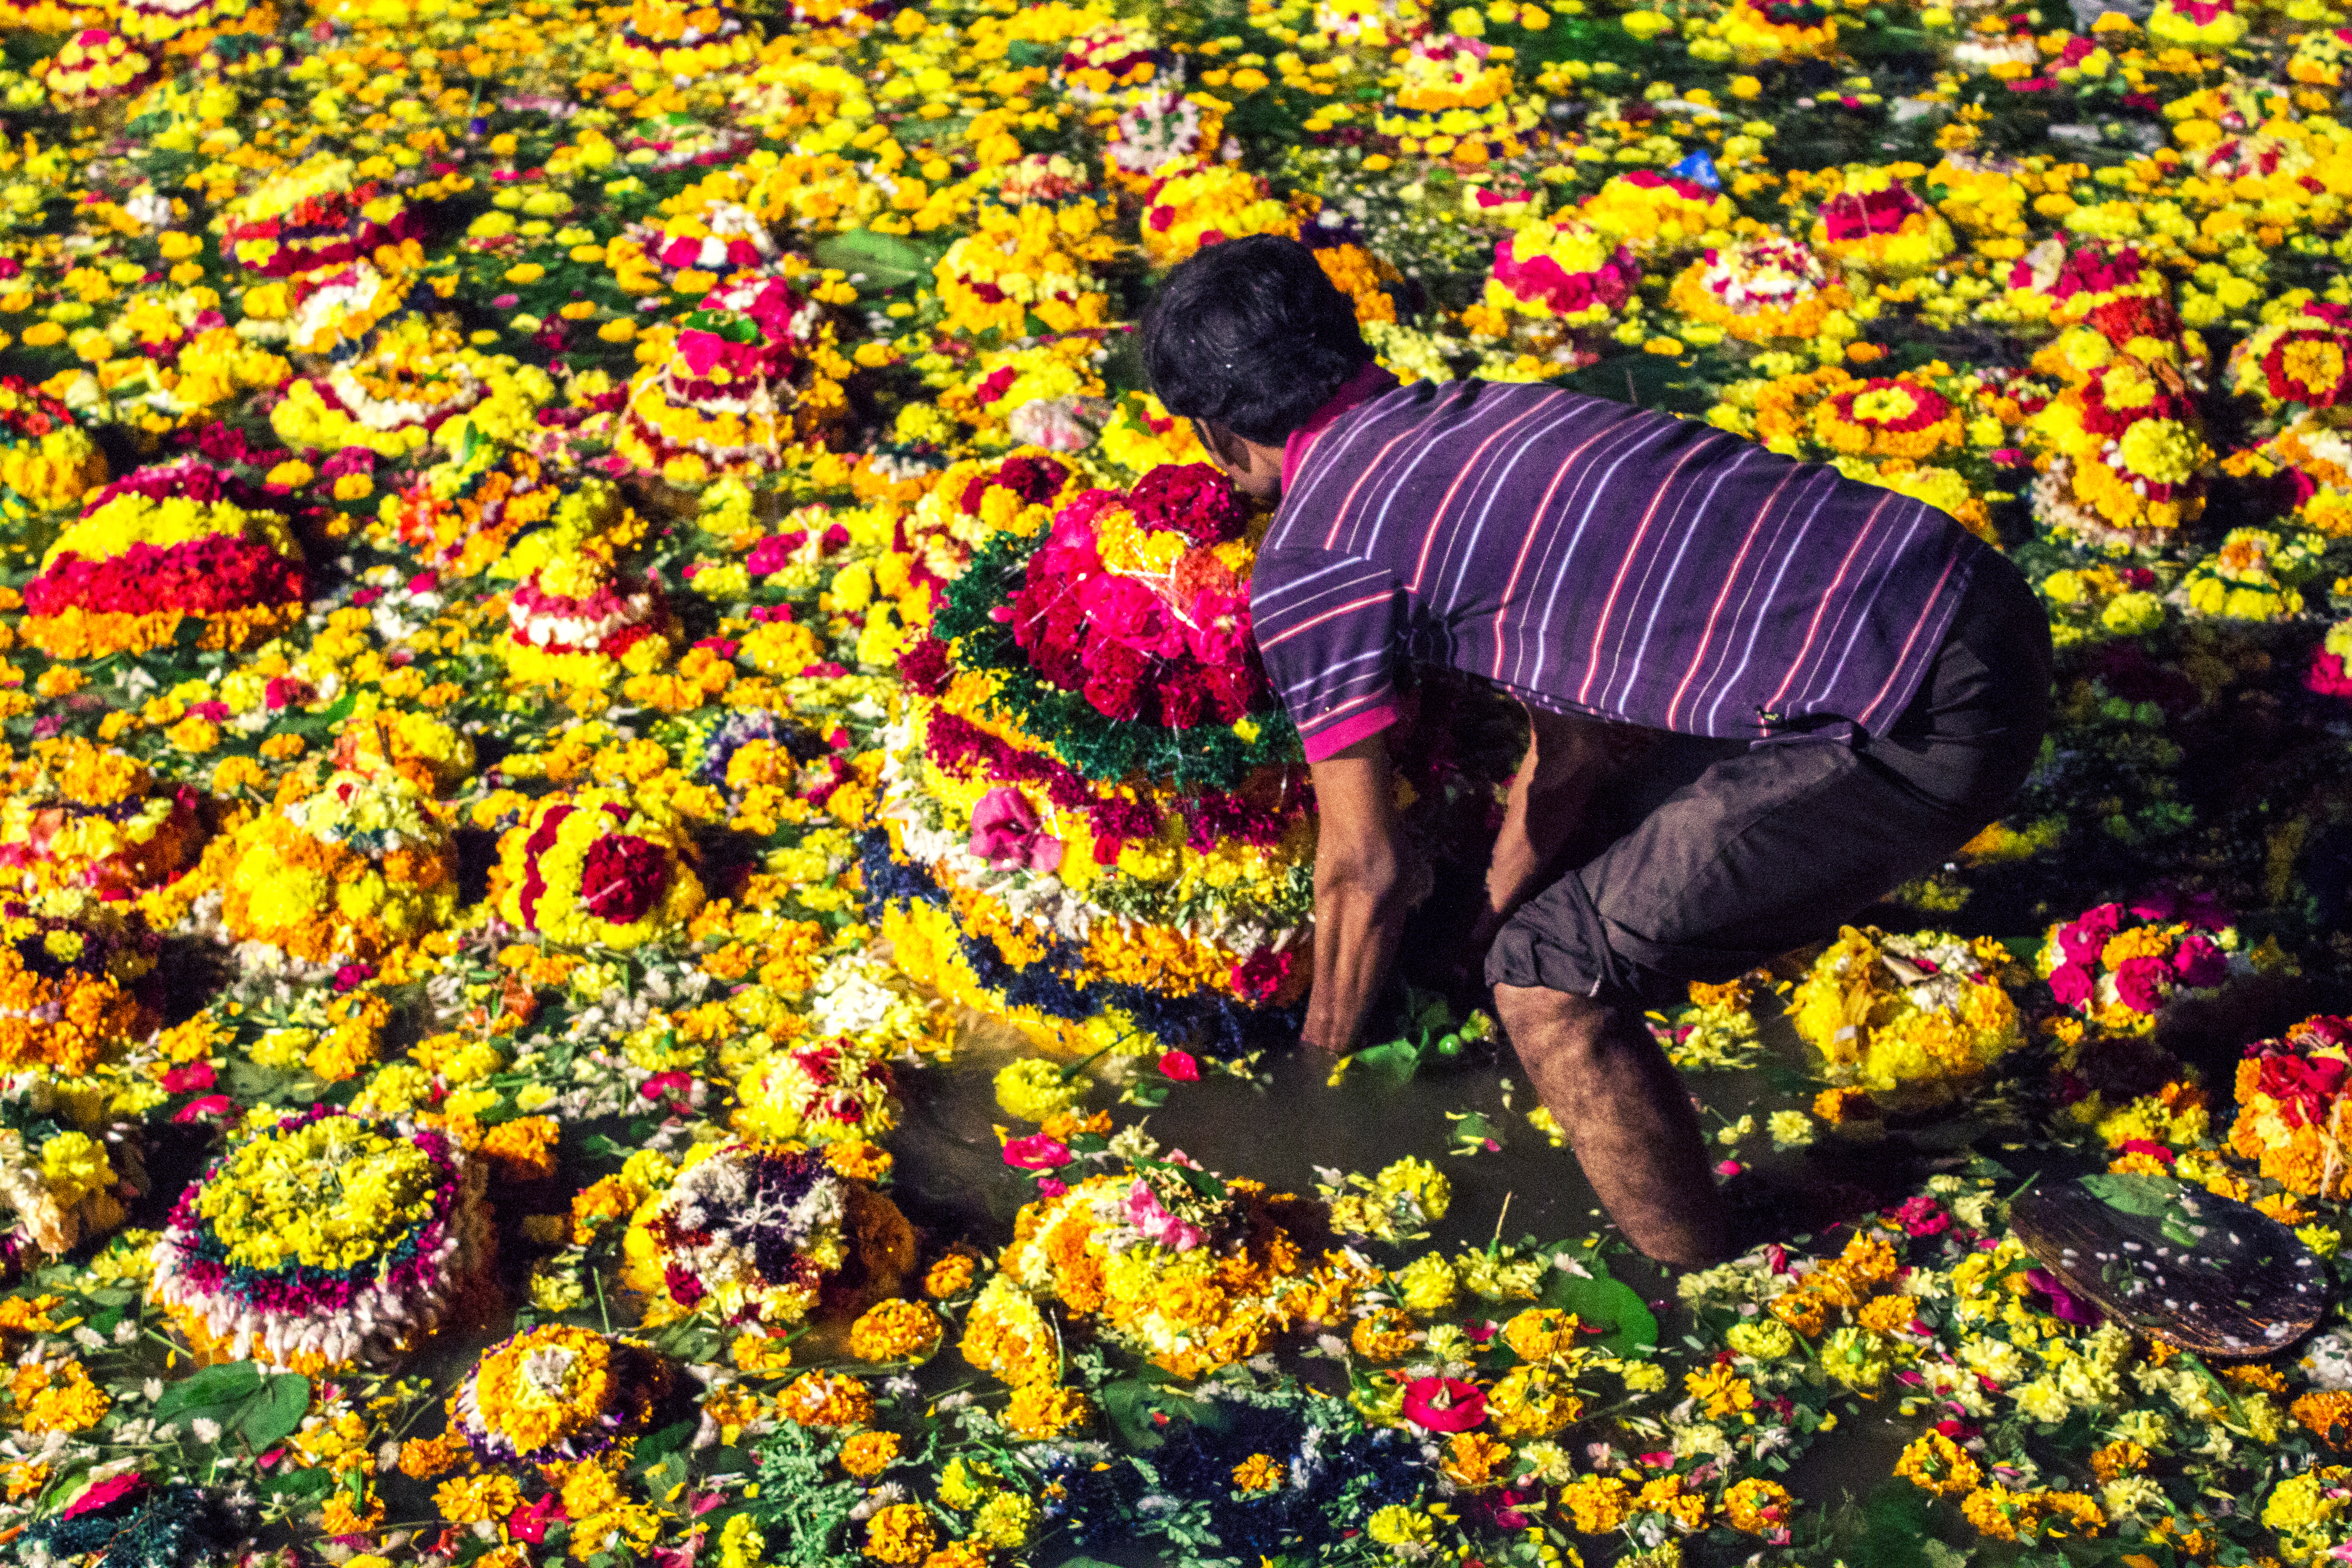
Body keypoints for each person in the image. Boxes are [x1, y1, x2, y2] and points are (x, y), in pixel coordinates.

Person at [1142, 234, 2052, 1267]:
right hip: (1981, 597)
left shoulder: (1317, 556)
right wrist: (1482, 920)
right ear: (1350, 344)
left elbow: (1365, 871)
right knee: (1560, 896)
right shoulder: (1501, 412)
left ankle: (1705, 1270)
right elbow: (1576, 748)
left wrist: (1316, 1082)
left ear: (1217, 437)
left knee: (1548, 987)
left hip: (1922, 716)